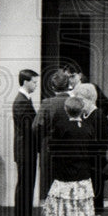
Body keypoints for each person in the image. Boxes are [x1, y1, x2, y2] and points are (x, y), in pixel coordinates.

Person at [28, 97, 95, 216]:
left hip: (64, 176)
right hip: (83, 176)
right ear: (82, 109)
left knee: (53, 210)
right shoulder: (88, 127)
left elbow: (53, 148)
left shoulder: (61, 126)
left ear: (66, 110)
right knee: (78, 211)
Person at [74, 82, 108, 216]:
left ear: (88, 99)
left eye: (79, 99)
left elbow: (103, 143)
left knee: (96, 199)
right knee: (84, 197)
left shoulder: (99, 115)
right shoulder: (84, 115)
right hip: (84, 163)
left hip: (95, 164)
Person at [33, 70, 76, 200]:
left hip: (50, 148)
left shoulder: (47, 103)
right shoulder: (75, 102)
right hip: (71, 148)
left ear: (52, 87)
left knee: (50, 185)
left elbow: (36, 126)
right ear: (68, 85)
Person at [12, 68, 39, 216]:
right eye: (34, 82)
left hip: (26, 149)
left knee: (27, 184)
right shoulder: (22, 101)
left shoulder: (24, 99)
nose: (36, 85)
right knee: (25, 185)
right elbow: (28, 128)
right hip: (25, 149)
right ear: (25, 82)